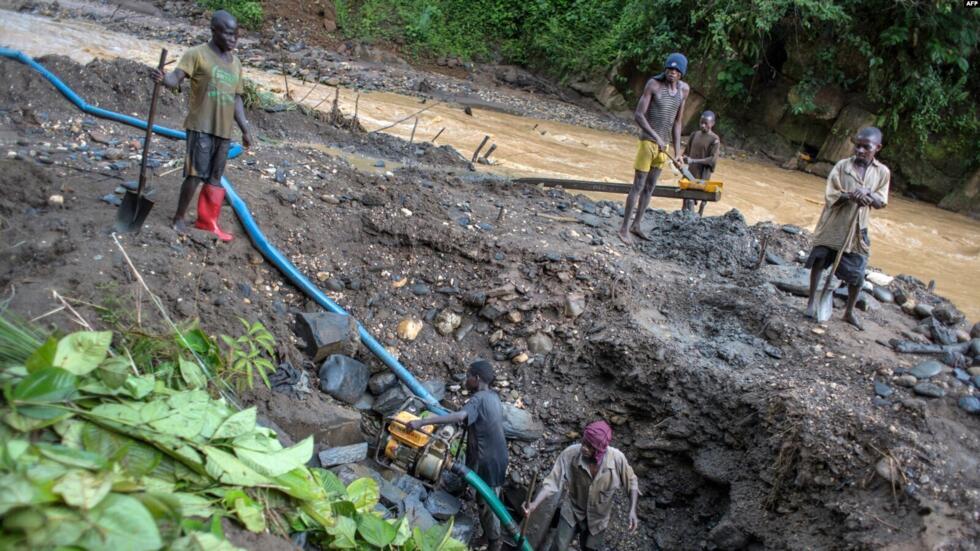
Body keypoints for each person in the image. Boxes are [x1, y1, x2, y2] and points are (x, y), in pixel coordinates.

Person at [150, 10, 253, 241]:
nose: (233, 39)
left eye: (236, 35)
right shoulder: (197, 54)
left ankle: (207, 222)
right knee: (195, 174)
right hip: (201, 126)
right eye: (228, 34)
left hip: (224, 131)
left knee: (215, 178)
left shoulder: (236, 64)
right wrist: (163, 79)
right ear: (214, 31)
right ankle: (178, 218)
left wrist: (245, 129)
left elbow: (237, 99)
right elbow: (176, 77)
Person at [406, 360, 508, 551]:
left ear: (476, 379)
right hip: (495, 456)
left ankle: (494, 542)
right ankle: (487, 537)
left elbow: (461, 416)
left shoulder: (478, 399)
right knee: (485, 499)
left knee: (488, 503)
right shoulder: (492, 396)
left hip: (489, 460)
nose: (465, 380)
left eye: (468, 376)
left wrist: (420, 423)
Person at [804, 126, 890, 330]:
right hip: (833, 225)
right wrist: (851, 195)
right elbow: (831, 194)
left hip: (857, 230)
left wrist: (868, 194)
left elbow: (881, 201)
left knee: (857, 275)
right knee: (819, 261)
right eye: (857, 146)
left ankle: (849, 312)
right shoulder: (842, 166)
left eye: (865, 147)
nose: (859, 151)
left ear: (877, 148)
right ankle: (810, 302)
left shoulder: (882, 172)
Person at [523, 420, 640, 550]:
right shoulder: (571, 454)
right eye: (584, 442)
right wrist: (534, 505)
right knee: (558, 547)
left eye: (590, 446)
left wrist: (632, 510)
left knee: (590, 549)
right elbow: (552, 482)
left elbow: (632, 482)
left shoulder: (617, 459)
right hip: (573, 511)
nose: (584, 447)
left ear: (600, 450)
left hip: (598, 519)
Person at [619, 52, 690, 244]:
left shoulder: (684, 90)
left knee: (650, 187)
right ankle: (624, 228)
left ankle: (637, 225)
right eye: (669, 69)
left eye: (676, 70)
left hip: (663, 146)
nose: (672, 72)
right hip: (647, 143)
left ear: (681, 74)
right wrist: (655, 137)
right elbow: (639, 115)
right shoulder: (654, 85)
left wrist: (677, 153)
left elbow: (677, 123)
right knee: (638, 185)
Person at [682, 110, 721, 214]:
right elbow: (686, 152)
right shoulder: (694, 135)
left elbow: (712, 159)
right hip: (690, 171)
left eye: (706, 123)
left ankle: (700, 213)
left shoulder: (714, 139)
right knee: (686, 196)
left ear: (712, 124)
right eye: (701, 123)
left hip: (703, 173)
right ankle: (684, 213)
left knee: (702, 197)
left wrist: (693, 160)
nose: (703, 125)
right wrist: (683, 158)